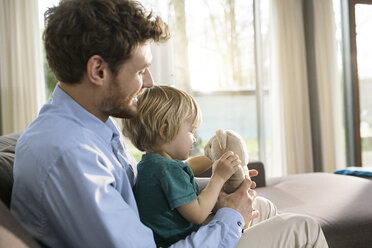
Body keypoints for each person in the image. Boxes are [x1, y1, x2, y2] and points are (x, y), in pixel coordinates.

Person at [10, 0, 329, 247]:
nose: (148, 82)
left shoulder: (91, 124)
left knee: (265, 206)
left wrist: (221, 192)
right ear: (98, 70)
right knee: (303, 228)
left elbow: (144, 191)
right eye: (139, 71)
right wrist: (229, 215)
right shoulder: (69, 155)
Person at [122, 85, 248, 247]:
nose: (194, 139)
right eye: (191, 131)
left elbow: (188, 166)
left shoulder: (151, 163)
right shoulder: (168, 170)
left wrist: (214, 157)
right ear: (165, 131)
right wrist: (219, 177)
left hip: (170, 235)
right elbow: (198, 214)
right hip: (178, 239)